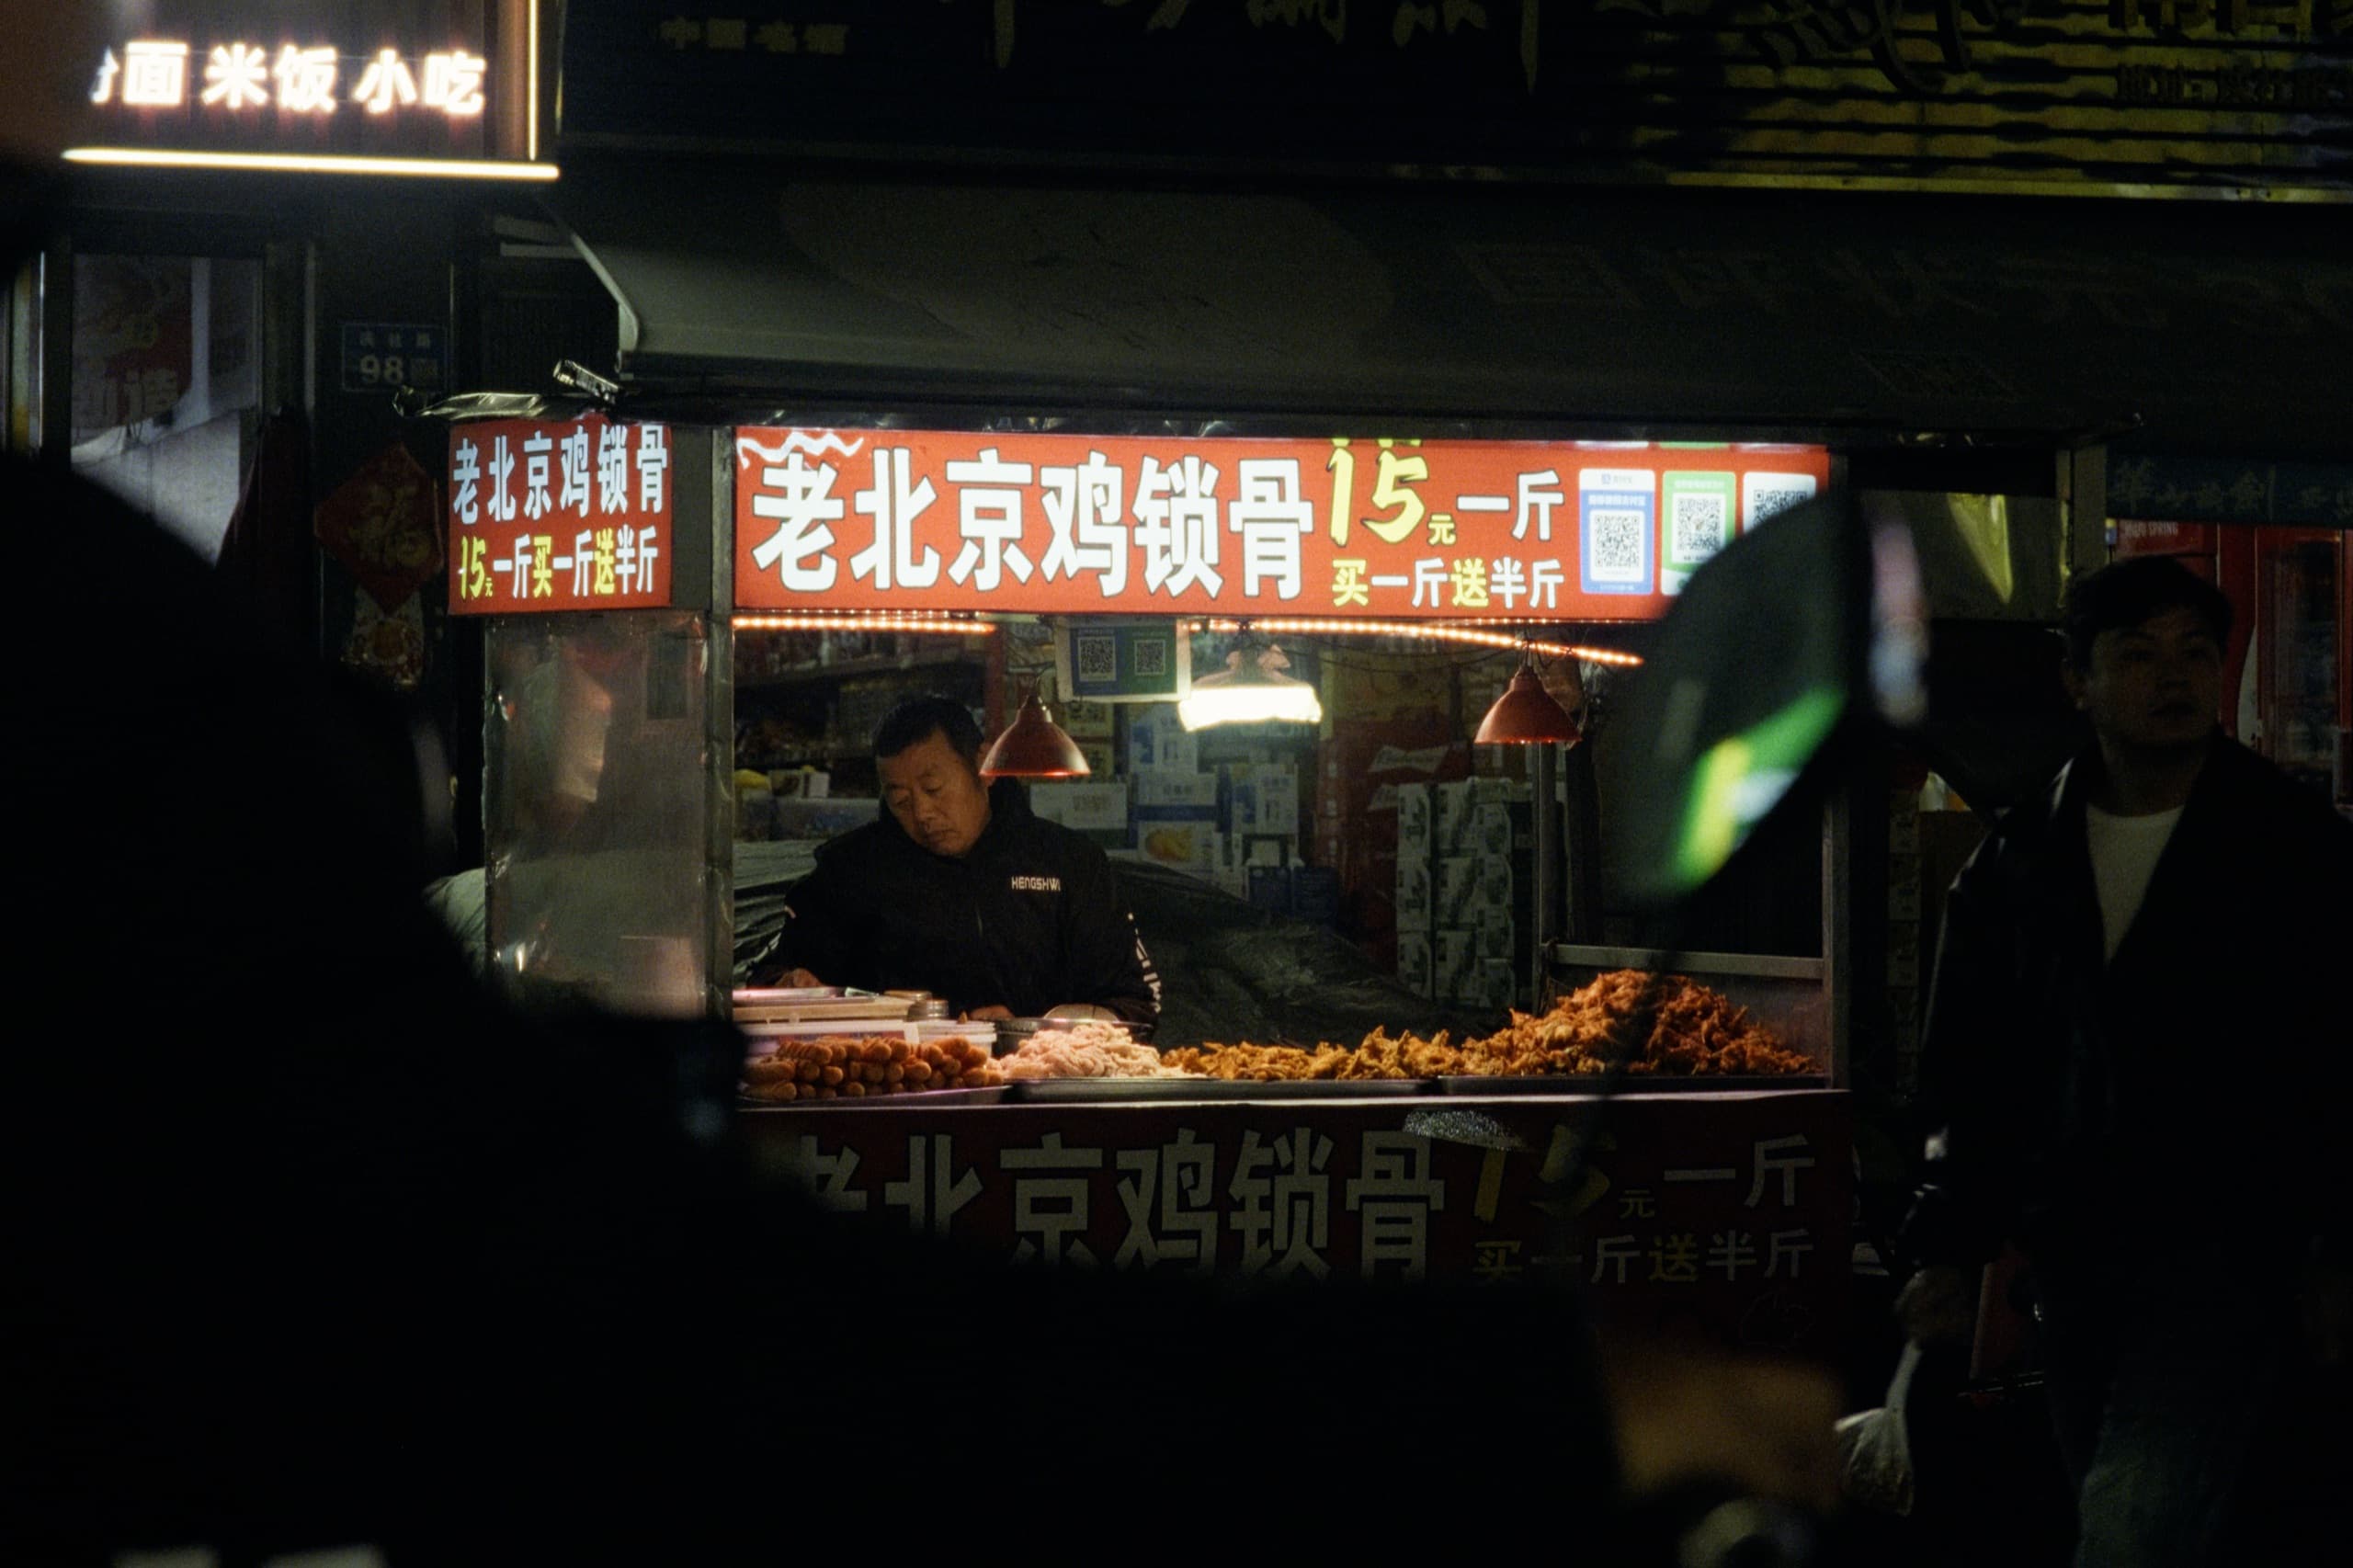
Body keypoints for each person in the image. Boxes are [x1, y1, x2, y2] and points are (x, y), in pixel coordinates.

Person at [1896, 554, 2353, 1566]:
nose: (2173, 677)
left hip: (2232, 1249)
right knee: (2134, 1499)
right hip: (2077, 1253)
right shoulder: (2020, 855)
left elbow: (2336, 1058)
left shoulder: (2294, 849)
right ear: (2080, 680)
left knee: (2132, 1524)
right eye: (2138, 654)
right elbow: (1969, 1063)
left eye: (2196, 652)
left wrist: (2336, 1248)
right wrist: (1948, 1240)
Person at [755, 694, 1162, 1027]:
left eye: (934, 788)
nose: (922, 813)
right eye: (900, 800)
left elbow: (1136, 1009)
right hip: (897, 1099)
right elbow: (769, 982)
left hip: (1041, 1101)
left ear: (984, 766)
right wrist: (789, 985)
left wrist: (1033, 1031)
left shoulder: (1070, 864)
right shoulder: (850, 871)